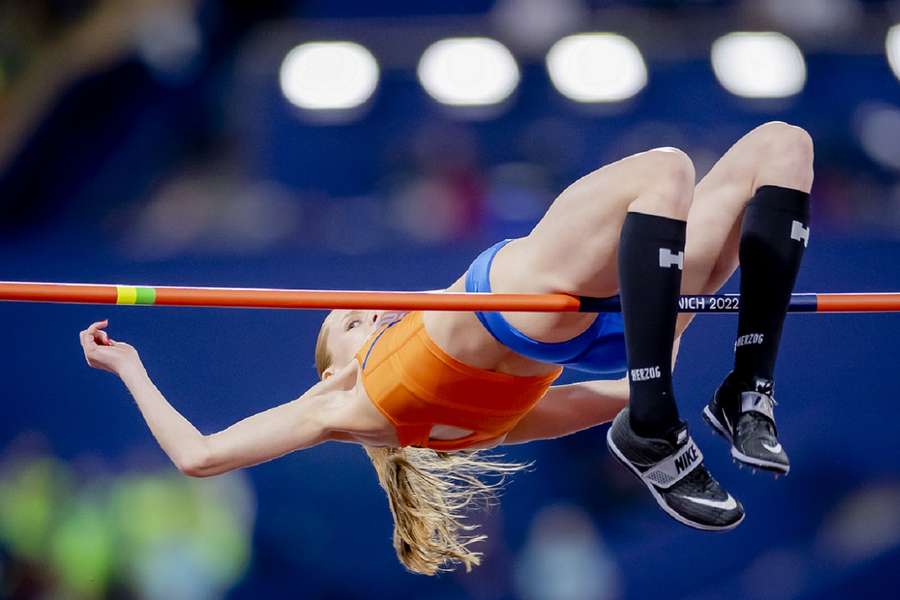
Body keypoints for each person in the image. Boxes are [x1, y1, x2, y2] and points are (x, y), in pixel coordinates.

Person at [80, 121, 813, 574]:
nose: (366, 311)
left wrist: (663, 357)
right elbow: (198, 457)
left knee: (783, 148)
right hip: (527, 305)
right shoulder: (346, 399)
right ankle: (667, 422)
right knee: (666, 170)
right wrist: (130, 366)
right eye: (347, 321)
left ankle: (746, 388)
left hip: (606, 327)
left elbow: (622, 396)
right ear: (332, 367)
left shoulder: (474, 423)